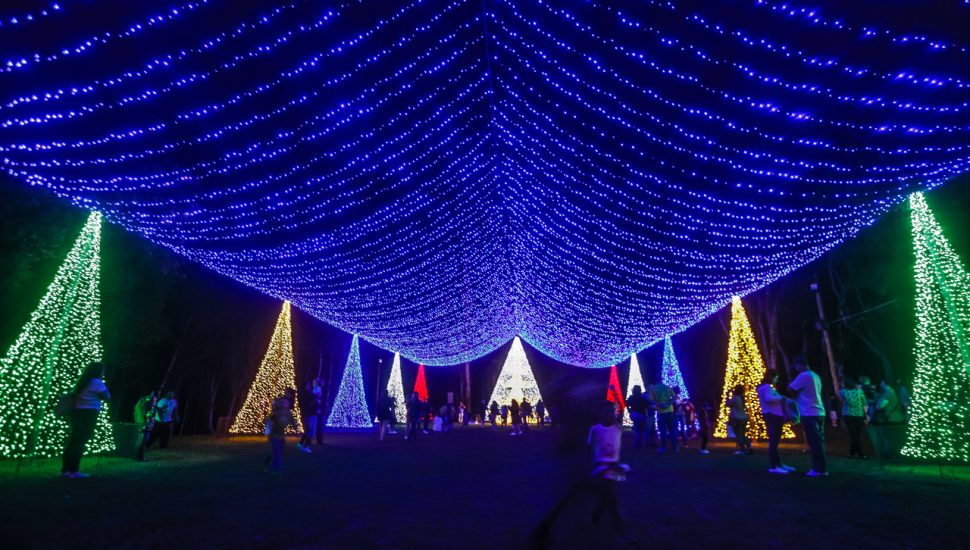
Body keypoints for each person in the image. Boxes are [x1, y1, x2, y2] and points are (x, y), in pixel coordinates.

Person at [587, 400, 630, 540]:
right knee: (612, 498)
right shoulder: (595, 429)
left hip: (614, 467)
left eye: (611, 411)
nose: (609, 414)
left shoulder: (618, 428)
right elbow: (590, 448)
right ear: (599, 413)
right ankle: (620, 530)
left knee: (605, 497)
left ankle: (595, 519)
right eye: (605, 412)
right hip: (601, 468)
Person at [62, 362, 110, 478]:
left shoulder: (83, 381)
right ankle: (74, 471)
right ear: (98, 371)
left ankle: (66, 470)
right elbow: (107, 396)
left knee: (73, 441)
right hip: (89, 414)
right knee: (80, 442)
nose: (104, 373)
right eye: (103, 370)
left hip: (76, 413)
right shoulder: (96, 382)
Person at [789, 356, 827, 476]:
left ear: (800, 364)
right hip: (819, 411)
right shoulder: (815, 375)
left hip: (809, 412)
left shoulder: (804, 376)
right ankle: (821, 467)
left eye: (796, 366)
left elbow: (790, 388)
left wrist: (796, 396)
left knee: (814, 441)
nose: (795, 368)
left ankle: (819, 469)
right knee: (819, 441)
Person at [758, 371, 794, 474]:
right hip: (773, 415)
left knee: (774, 441)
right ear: (770, 376)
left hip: (772, 415)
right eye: (775, 378)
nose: (775, 381)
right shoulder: (766, 387)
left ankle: (779, 464)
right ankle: (774, 466)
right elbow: (768, 399)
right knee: (774, 442)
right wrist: (782, 398)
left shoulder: (763, 387)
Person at [868, 380, 906, 458]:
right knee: (893, 436)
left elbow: (880, 406)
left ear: (885, 384)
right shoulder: (892, 392)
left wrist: (876, 404)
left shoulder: (888, 393)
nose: (880, 384)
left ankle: (890, 453)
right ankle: (894, 453)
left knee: (888, 436)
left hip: (890, 418)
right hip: (896, 417)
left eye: (881, 383)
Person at [264, 389, 297, 474]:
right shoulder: (276, 413)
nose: (285, 404)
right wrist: (267, 432)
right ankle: (276, 469)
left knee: (279, 452)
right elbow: (269, 422)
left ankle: (270, 465)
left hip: (281, 435)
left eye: (286, 403)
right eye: (283, 403)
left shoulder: (288, 413)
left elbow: (292, 421)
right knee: (277, 452)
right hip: (273, 435)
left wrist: (295, 427)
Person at [839, 377, 868, 459]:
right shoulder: (860, 391)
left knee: (854, 435)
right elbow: (864, 402)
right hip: (859, 415)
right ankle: (859, 453)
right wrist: (866, 414)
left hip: (848, 415)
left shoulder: (843, 392)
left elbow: (840, 399)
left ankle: (852, 453)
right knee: (856, 434)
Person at [649, 376, 677, 453]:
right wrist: (668, 404)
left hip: (661, 412)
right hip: (670, 411)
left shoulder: (653, 389)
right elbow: (674, 397)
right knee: (672, 430)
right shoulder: (667, 387)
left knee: (663, 430)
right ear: (662, 380)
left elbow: (651, 400)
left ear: (655, 380)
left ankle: (663, 447)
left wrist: (659, 404)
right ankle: (675, 447)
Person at [298, 378, 324, 451]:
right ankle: (304, 446)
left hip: (310, 413)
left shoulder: (309, 393)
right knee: (311, 431)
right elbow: (309, 404)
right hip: (310, 414)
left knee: (309, 430)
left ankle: (301, 444)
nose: (311, 385)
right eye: (309, 384)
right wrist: (316, 400)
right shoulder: (307, 394)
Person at [727, 385, 752, 455]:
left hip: (736, 418)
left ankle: (742, 449)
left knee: (738, 435)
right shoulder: (742, 398)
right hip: (744, 417)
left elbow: (727, 404)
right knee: (742, 434)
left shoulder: (735, 398)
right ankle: (749, 447)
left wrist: (727, 395)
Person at [135, 392, 157, 462]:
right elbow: (146, 417)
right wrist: (150, 421)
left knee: (140, 442)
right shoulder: (148, 408)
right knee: (143, 442)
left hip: (140, 424)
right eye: (154, 400)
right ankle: (140, 457)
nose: (155, 402)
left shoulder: (140, 404)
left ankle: (137, 456)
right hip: (145, 426)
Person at [626, 385, 648, 449]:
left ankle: (636, 445)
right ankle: (641, 445)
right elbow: (647, 405)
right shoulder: (642, 398)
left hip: (634, 414)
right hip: (641, 414)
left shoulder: (631, 397)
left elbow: (626, 403)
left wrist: (629, 410)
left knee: (636, 429)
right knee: (642, 430)